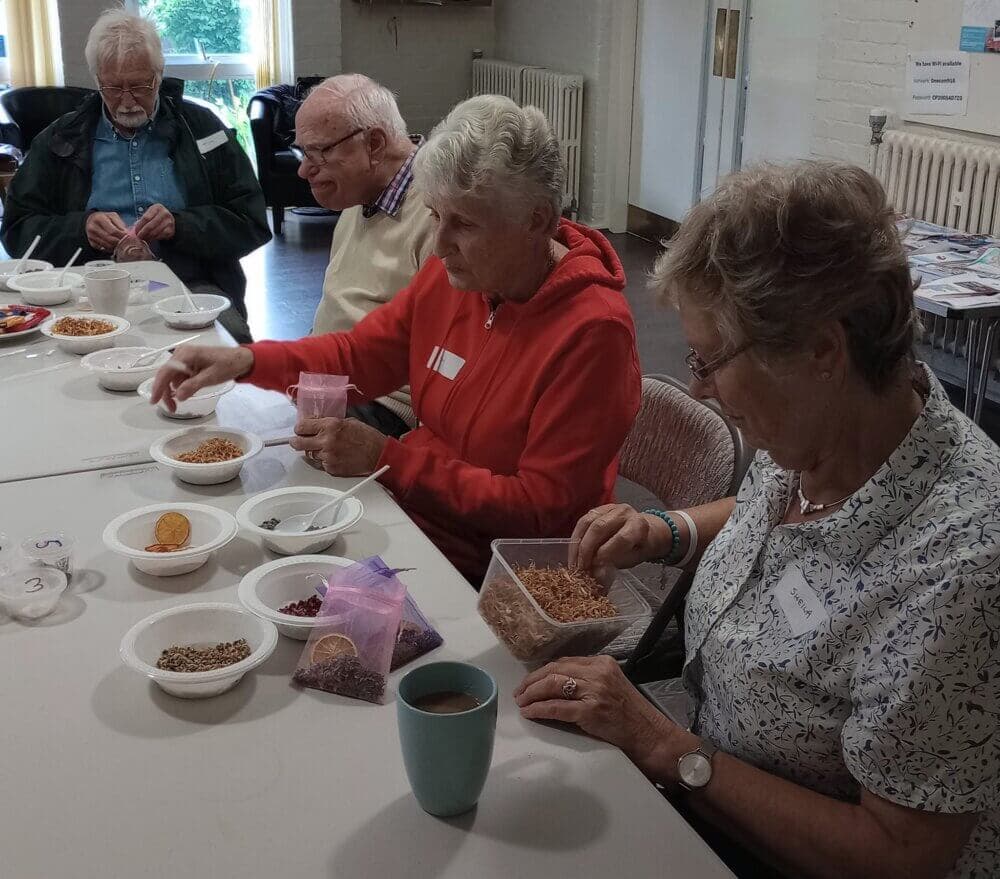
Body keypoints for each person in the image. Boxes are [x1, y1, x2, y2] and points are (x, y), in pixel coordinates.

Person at [515, 162, 1000, 878]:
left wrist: (663, 746)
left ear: (823, 350)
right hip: (704, 782)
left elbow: (900, 855)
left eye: (712, 360)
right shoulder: (823, 428)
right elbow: (785, 515)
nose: (699, 387)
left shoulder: (962, 567)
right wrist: (668, 530)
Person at [151, 95, 642, 583]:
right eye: (435, 215)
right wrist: (243, 362)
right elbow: (358, 355)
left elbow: (538, 510)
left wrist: (388, 459)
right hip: (422, 518)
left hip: (508, 569)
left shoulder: (592, 332)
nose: (441, 244)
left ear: (535, 220)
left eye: (464, 223)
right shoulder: (461, 275)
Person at [0, 9, 270, 343]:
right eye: (112, 88)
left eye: (141, 86)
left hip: (190, 284)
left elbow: (252, 221)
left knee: (230, 347)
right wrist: (80, 228)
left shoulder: (201, 130)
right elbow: (16, 231)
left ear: (159, 75)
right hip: (84, 290)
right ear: (97, 80)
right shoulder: (60, 140)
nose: (127, 101)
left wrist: (180, 226)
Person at [294, 74, 435, 437]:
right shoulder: (361, 197)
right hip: (331, 384)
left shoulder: (438, 215)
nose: (303, 170)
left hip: (384, 406)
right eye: (303, 153)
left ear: (373, 144)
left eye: (317, 153)